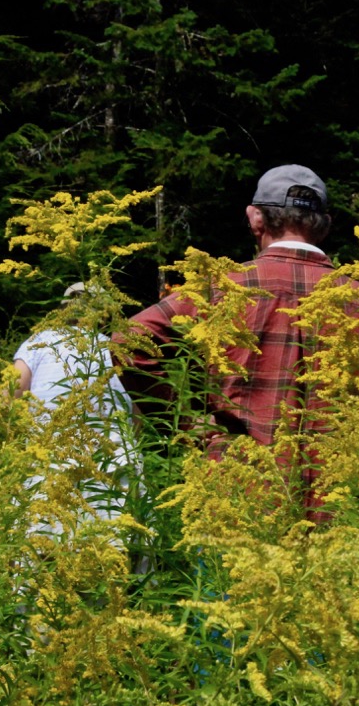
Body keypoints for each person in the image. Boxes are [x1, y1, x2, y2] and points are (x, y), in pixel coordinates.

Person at [120, 165, 343, 492]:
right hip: (337, 505)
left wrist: (183, 424)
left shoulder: (221, 289)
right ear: (326, 226)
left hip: (235, 496)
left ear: (255, 218)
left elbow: (127, 339)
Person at [13, 282, 137, 530]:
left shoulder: (38, 343)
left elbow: (12, 394)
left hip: (49, 458)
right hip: (112, 462)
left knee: (43, 543)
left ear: (64, 310)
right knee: (112, 543)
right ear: (104, 316)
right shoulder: (119, 351)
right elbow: (137, 415)